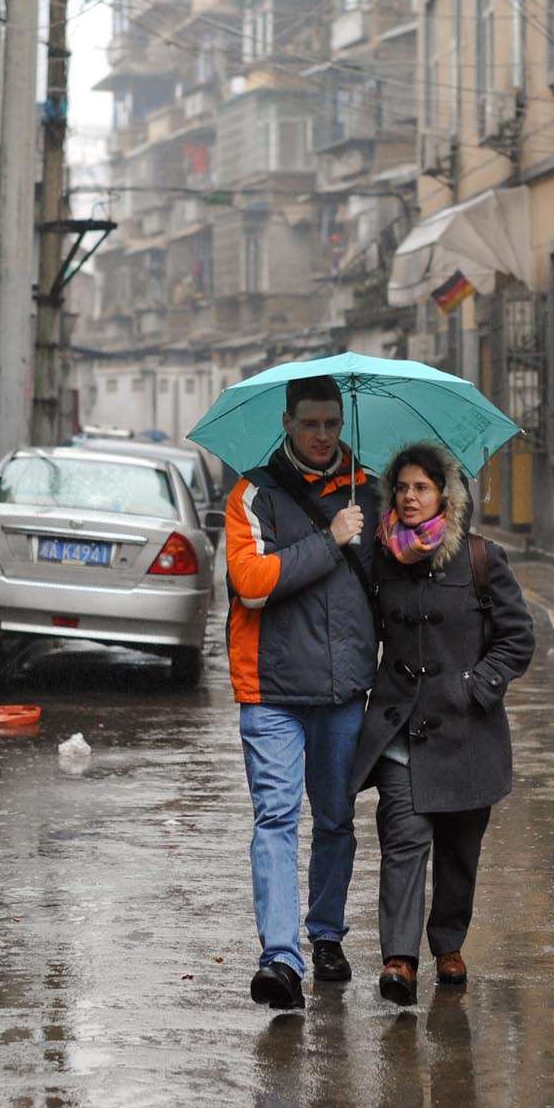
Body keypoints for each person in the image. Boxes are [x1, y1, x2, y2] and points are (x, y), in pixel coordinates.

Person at [349, 442, 535, 1006]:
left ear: (443, 496)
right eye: (401, 487)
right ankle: (399, 960)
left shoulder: (481, 558)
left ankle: (447, 943)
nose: (409, 497)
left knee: (459, 850)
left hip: (467, 732)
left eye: (421, 488)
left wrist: (476, 686)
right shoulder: (377, 558)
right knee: (403, 840)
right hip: (402, 730)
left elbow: (517, 638)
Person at [224, 374, 378, 1011]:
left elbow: (400, 573)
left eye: (332, 425)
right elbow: (252, 582)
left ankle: (326, 935)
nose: (322, 437)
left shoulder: (369, 489)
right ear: (287, 423)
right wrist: (330, 538)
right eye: (310, 424)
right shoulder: (254, 494)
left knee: (337, 821)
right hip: (273, 691)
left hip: (344, 691)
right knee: (277, 819)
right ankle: (280, 960)